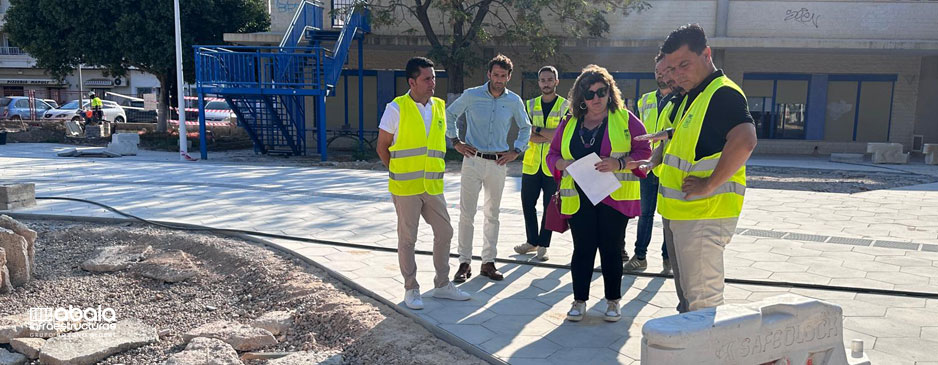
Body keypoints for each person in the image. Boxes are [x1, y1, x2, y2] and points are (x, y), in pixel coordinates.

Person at [637, 24, 758, 313]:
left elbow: (745, 140)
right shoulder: (693, 95)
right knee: (689, 302)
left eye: (684, 65)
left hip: (704, 215)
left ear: (706, 54)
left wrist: (709, 185)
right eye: (672, 70)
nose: (678, 74)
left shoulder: (722, 93)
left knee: (703, 305)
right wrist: (660, 149)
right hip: (681, 212)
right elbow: (689, 138)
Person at [546, 65, 650, 322]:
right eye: (589, 94)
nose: (595, 99)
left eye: (601, 92)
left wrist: (619, 163)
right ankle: (579, 300)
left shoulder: (625, 119)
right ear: (580, 97)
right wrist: (561, 164)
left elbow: (645, 151)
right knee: (583, 249)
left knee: (611, 249)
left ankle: (613, 301)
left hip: (613, 197)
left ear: (609, 92)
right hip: (578, 196)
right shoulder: (570, 122)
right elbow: (552, 155)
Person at [376, 57, 471, 310]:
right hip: (406, 188)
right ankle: (412, 288)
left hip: (432, 187)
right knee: (408, 239)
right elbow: (382, 147)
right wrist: (397, 171)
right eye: (427, 79)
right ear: (412, 82)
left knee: (445, 232)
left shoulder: (439, 107)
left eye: (434, 78)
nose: (432, 83)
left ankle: (442, 285)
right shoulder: (396, 108)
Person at [446, 54, 532, 282]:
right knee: (467, 212)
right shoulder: (472, 95)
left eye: (503, 76)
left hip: (498, 162)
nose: (499, 79)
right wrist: (455, 141)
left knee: (492, 214)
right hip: (472, 160)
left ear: (509, 77)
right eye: (495, 75)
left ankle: (488, 262)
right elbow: (450, 113)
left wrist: (516, 150)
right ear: (489, 74)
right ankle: (464, 262)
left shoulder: (514, 101)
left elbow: (526, 127)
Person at [624, 56, 674, 274]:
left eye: (665, 71)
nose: (661, 75)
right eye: (657, 72)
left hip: (669, 166)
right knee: (645, 214)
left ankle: (668, 258)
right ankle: (640, 256)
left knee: (668, 215)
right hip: (646, 166)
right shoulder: (644, 100)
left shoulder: (681, 100)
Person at [514, 66, 568, 262]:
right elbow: (527, 135)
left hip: (553, 165)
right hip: (531, 164)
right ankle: (532, 241)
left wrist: (538, 130)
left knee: (549, 206)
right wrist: (548, 135)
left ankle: (543, 244)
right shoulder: (528, 105)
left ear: (556, 81)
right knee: (527, 204)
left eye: (549, 79)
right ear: (538, 83)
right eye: (543, 80)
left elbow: (561, 137)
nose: (546, 83)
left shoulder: (565, 106)